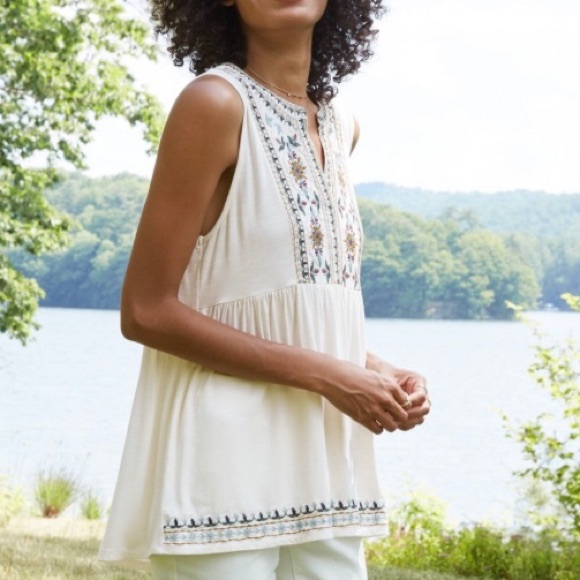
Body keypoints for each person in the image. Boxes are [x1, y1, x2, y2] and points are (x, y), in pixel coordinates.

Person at [99, 0, 431, 578]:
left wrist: (372, 370)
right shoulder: (213, 105)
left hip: (326, 471)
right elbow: (145, 311)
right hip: (225, 470)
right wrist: (332, 376)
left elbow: (288, 300)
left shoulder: (342, 126)